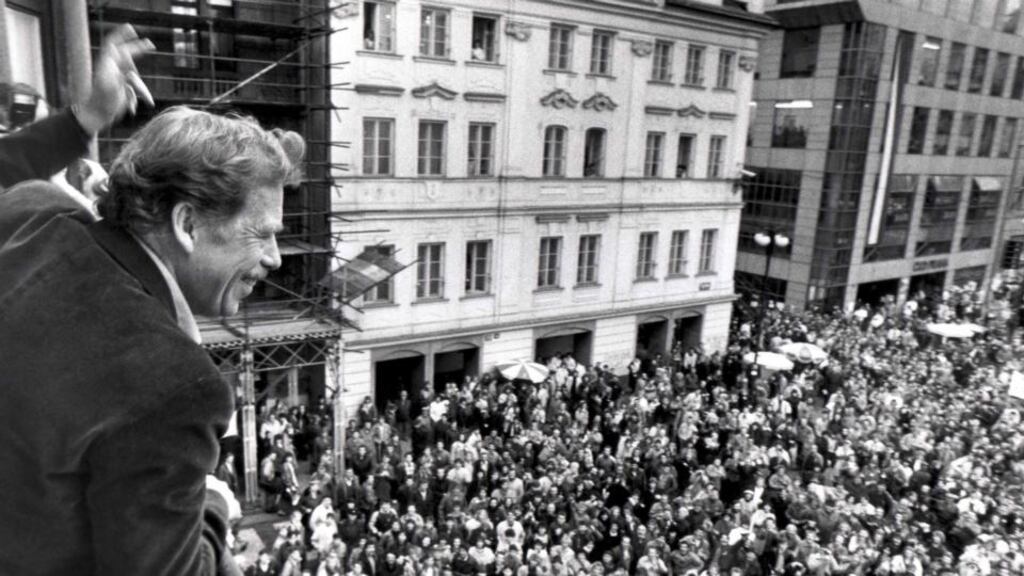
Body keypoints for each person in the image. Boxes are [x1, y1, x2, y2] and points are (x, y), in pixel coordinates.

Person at [0, 105, 304, 574]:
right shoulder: (177, 387)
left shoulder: (34, 211)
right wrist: (214, 504)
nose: (275, 258)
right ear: (186, 223)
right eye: (261, 234)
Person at [0, 24, 153, 191]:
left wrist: (93, 115)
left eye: (33, 128)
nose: (24, 134)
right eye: (20, 127)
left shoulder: (86, 171)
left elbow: (13, 162)